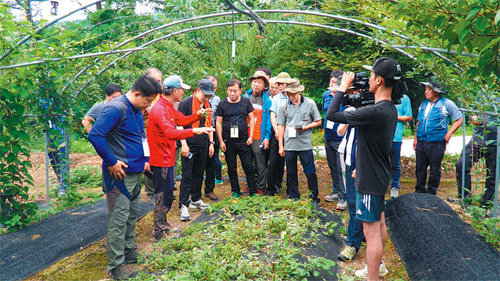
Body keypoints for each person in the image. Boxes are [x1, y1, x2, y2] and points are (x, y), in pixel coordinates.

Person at [327, 57, 401, 280]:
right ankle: (378, 267)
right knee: (378, 223)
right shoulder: (388, 109)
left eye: (370, 76)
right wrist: (361, 167)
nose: (367, 79)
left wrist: (341, 88)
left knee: (371, 232)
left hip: (370, 180)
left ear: (378, 80)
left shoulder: (375, 112)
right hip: (376, 174)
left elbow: (331, 116)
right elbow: (373, 145)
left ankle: (373, 277)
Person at [88, 75, 161, 280]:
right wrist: (111, 161)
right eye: (147, 101)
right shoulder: (115, 108)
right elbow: (95, 135)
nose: (148, 105)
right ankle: (116, 265)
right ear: (137, 94)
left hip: (136, 172)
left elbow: (140, 135)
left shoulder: (136, 110)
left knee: (131, 215)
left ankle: (130, 253)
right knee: (118, 220)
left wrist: (146, 158)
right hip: (119, 176)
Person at [148, 75, 213, 232]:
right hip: (160, 159)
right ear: (175, 91)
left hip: (168, 158)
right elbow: (170, 132)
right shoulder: (160, 109)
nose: (184, 92)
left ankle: (162, 225)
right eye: (182, 90)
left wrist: (198, 115)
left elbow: (182, 120)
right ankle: (159, 228)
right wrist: (194, 131)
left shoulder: (168, 106)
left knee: (168, 194)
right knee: (163, 195)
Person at [414, 77, 463, 195]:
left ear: (436, 91)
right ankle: (419, 190)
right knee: (420, 167)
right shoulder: (423, 104)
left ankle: (431, 192)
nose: (426, 91)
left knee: (435, 169)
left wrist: (449, 133)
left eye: (428, 89)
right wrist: (415, 138)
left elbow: (459, 119)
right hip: (421, 141)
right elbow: (419, 122)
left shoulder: (447, 103)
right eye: (425, 89)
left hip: (436, 143)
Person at [277, 78, 322, 203]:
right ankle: (293, 195)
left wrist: (305, 127)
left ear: (299, 92)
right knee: (291, 171)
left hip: (305, 144)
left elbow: (318, 121)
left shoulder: (310, 103)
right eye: (289, 94)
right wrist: (281, 145)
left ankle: (313, 196)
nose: (292, 97)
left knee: (310, 171)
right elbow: (281, 126)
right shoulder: (283, 106)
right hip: (289, 144)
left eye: (294, 94)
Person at [178, 79, 216, 220]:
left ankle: (196, 198)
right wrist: (184, 144)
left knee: (199, 173)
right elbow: (179, 124)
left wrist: (211, 143)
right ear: (198, 90)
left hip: (203, 143)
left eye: (209, 96)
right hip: (189, 143)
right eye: (205, 95)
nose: (207, 98)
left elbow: (209, 124)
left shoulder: (207, 105)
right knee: (187, 175)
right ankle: (183, 204)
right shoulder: (186, 103)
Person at [215, 79, 257, 197]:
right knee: (231, 167)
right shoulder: (222, 104)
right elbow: (218, 122)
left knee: (248, 166)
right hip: (228, 141)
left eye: (235, 91)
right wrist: (221, 140)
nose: (232, 93)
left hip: (244, 140)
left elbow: (252, 118)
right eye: (229, 91)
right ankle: (235, 191)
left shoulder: (246, 102)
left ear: (240, 90)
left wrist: (251, 136)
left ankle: (253, 191)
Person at [450, 113, 497, 207]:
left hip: (495, 142)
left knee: (492, 174)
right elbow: (473, 112)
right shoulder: (479, 97)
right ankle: (465, 198)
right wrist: (473, 117)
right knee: (461, 164)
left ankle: (486, 203)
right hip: (477, 141)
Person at [336, 106, 364, 262]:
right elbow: (339, 131)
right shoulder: (351, 111)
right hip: (349, 160)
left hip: (359, 165)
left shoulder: (369, 113)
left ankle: (352, 243)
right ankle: (359, 234)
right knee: (353, 202)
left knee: (355, 204)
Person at [322, 70, 347, 210]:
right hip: (328, 136)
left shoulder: (344, 97)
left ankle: (344, 197)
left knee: (341, 167)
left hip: (340, 138)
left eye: (335, 82)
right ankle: (336, 191)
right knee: (332, 166)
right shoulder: (326, 95)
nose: (332, 84)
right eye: (331, 81)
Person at [245, 70, 272, 194]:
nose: (256, 85)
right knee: (247, 162)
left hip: (258, 136)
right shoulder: (245, 97)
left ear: (264, 86)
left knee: (260, 164)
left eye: (259, 82)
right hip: (245, 135)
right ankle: (250, 185)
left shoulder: (267, 101)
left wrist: (267, 137)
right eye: (254, 82)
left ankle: (261, 187)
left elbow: (268, 122)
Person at [265, 72, 291, 195]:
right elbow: (272, 115)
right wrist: (276, 131)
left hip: (291, 134)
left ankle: (280, 184)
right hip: (277, 134)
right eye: (279, 84)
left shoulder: (294, 96)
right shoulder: (276, 98)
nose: (281, 86)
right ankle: (270, 187)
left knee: (284, 161)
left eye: (283, 84)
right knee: (273, 160)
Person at [143, 68, 164, 202]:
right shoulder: (144, 95)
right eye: (156, 81)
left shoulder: (161, 94)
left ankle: (160, 188)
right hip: (147, 130)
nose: (159, 83)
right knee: (149, 160)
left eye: (160, 80)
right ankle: (150, 191)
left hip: (161, 131)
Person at [203, 75, 223, 202]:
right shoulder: (194, 100)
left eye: (215, 88)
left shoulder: (217, 100)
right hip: (199, 132)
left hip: (213, 130)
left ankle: (209, 189)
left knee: (212, 160)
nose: (213, 90)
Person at [390, 94, 412, 198]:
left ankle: (394, 186)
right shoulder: (381, 93)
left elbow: (409, 116)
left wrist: (394, 117)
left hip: (396, 136)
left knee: (395, 163)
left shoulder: (404, 98)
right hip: (380, 136)